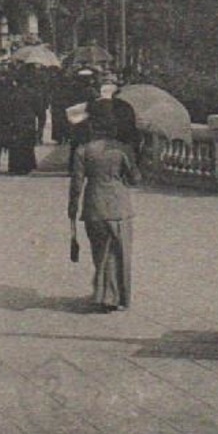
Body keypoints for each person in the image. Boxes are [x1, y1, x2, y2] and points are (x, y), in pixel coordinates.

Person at [67, 97, 141, 312]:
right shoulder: (122, 149)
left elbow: (77, 184)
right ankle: (116, 296)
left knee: (101, 252)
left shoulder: (83, 150)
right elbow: (135, 178)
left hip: (93, 206)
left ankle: (104, 294)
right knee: (120, 253)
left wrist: (72, 208)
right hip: (119, 206)